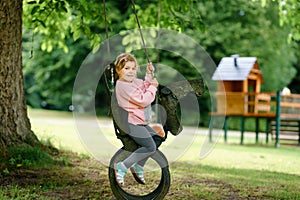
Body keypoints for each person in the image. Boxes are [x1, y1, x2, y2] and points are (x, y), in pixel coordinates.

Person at [113, 53, 159, 187]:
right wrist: (153, 87)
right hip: (132, 123)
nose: (130, 71)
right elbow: (143, 100)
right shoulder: (123, 85)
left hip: (141, 122)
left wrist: (149, 74)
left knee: (157, 139)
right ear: (118, 70)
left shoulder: (133, 82)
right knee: (150, 146)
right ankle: (122, 166)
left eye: (133, 68)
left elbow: (144, 85)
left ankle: (139, 165)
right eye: (126, 68)